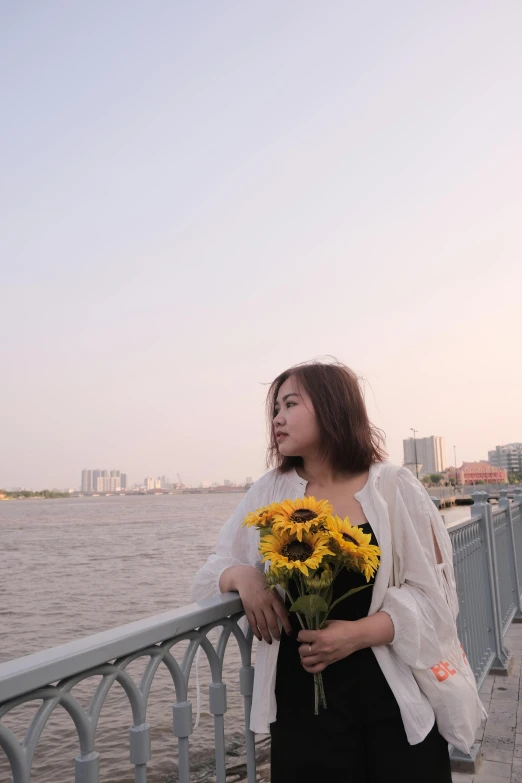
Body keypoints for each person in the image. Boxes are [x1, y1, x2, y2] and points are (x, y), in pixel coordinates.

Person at [192, 360, 459, 782]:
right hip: (302, 707)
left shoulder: (391, 486)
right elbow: (210, 575)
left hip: (390, 701)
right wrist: (244, 577)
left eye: (290, 404)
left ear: (333, 406)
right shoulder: (271, 490)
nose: (277, 418)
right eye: (275, 408)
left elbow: (436, 602)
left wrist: (356, 634)